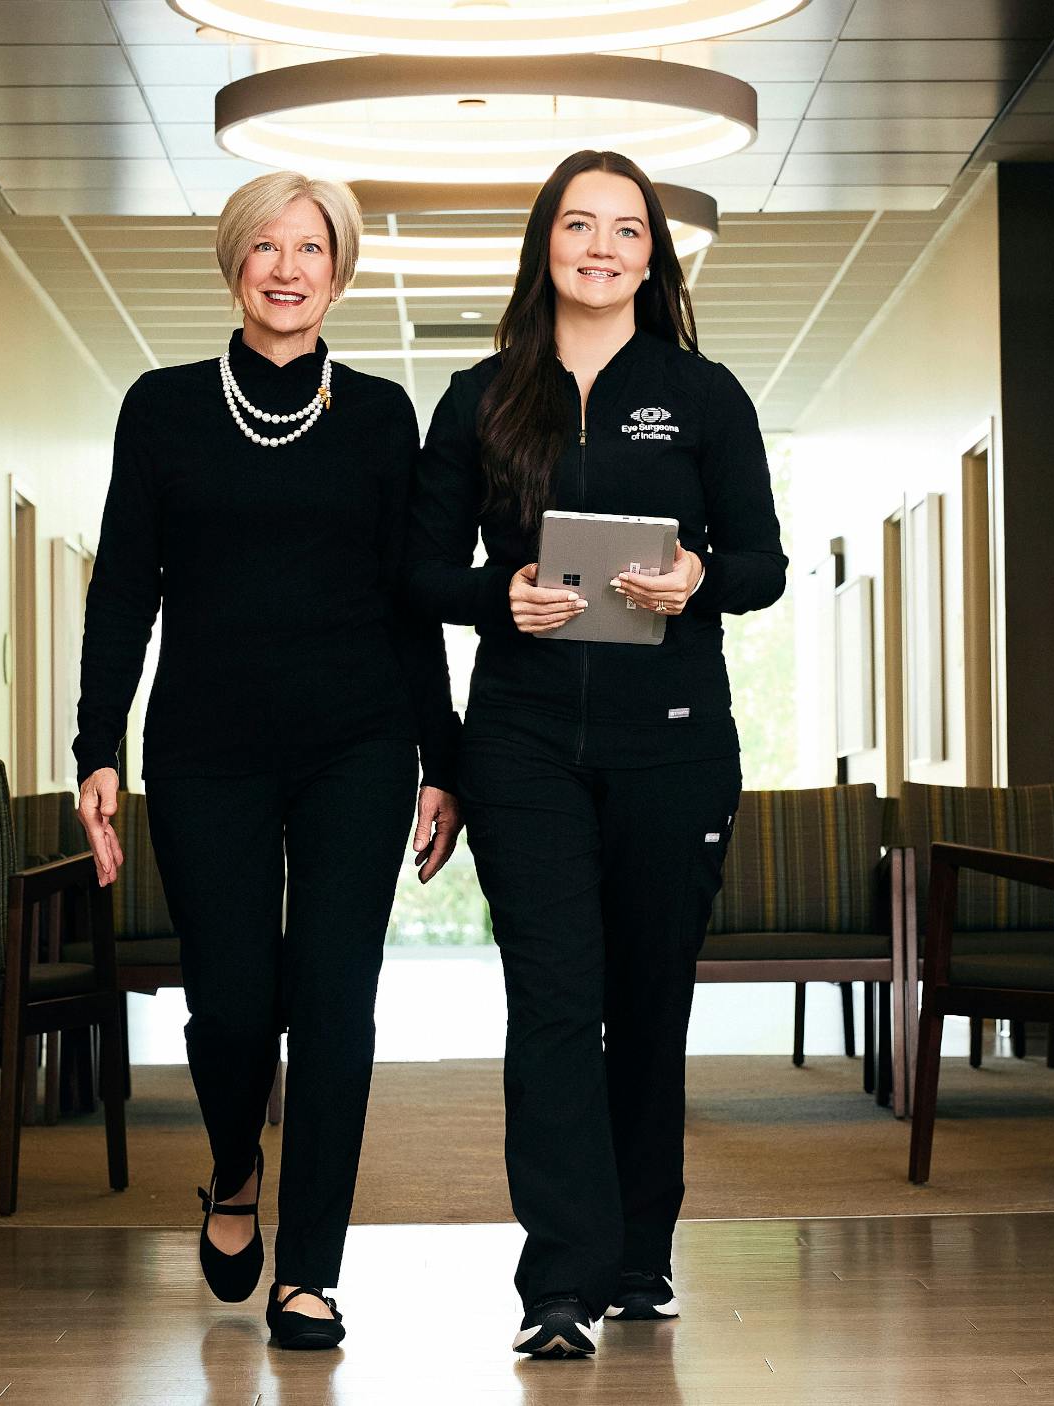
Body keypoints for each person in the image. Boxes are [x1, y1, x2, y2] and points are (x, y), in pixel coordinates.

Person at [72, 171, 463, 1351]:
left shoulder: (384, 415)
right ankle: (234, 1166)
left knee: (337, 1003)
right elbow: (122, 592)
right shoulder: (163, 408)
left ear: (338, 269)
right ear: (234, 263)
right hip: (205, 746)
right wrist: (97, 745)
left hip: (356, 742)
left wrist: (441, 758)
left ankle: (312, 1269)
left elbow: (410, 607)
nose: (287, 268)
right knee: (234, 1003)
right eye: (265, 247)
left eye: (310, 248)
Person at [407, 149, 786, 1358]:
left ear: (651, 256)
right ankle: (556, 1282)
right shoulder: (478, 396)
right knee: (556, 1004)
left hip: (670, 744)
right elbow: (414, 574)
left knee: (645, 1002)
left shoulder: (703, 392)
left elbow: (763, 562)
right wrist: (494, 593)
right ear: (545, 245)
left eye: (627, 228)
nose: (602, 245)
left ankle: (638, 1251)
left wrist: (694, 578)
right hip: (519, 744)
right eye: (579, 224)